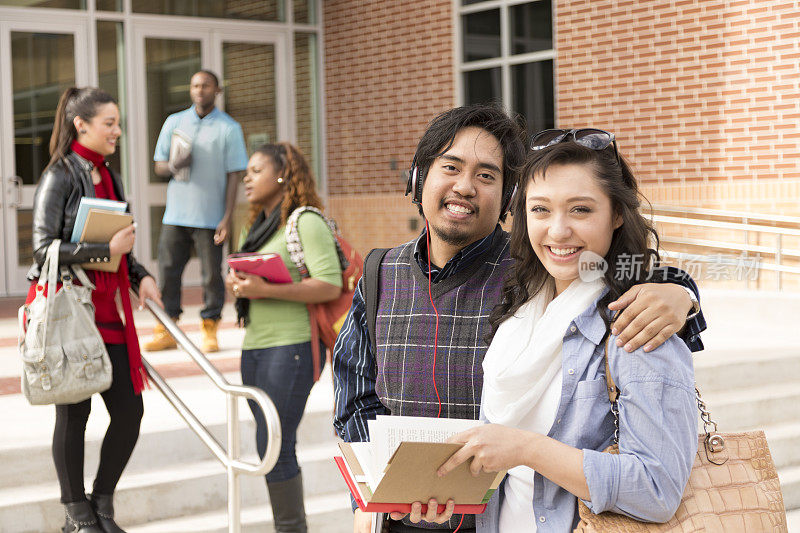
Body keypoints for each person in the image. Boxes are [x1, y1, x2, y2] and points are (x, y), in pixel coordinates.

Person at [332, 106, 705, 533]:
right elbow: (354, 397)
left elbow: (624, 277)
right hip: (405, 515)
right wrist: (375, 492)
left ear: (509, 197)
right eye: (450, 167)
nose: (464, 186)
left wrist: (682, 293)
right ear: (419, 177)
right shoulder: (384, 273)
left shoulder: (527, 269)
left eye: (487, 176)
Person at [436, 130, 698, 532]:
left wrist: (525, 449)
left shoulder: (637, 325)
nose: (557, 231)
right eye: (540, 210)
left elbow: (655, 489)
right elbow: (501, 473)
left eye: (580, 210)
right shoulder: (519, 315)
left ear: (617, 214)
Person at [27, 87, 163, 533]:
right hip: (72, 311)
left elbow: (121, 245)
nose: (117, 131)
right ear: (80, 124)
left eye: (118, 123)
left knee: (129, 411)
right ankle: (76, 513)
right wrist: (104, 248)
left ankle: (101, 503)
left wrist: (140, 273)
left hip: (109, 310)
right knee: (74, 413)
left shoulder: (110, 175)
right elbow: (43, 249)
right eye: (110, 123)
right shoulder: (59, 176)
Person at [224, 142, 342, 532]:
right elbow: (255, 284)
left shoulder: (305, 220)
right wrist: (242, 286)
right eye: (246, 172)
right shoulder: (255, 226)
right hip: (256, 346)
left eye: (256, 171)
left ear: (281, 174)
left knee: (276, 444)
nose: (247, 179)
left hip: (291, 347)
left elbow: (328, 284)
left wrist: (265, 290)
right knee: (267, 443)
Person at [144, 69, 248, 353]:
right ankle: (167, 326)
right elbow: (159, 165)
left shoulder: (229, 128)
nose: (199, 90)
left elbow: (234, 176)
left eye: (205, 85)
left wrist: (226, 218)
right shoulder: (174, 122)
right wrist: (176, 164)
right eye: (195, 85)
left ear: (217, 90)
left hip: (211, 216)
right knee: (168, 273)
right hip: (176, 214)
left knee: (212, 275)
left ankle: (210, 326)